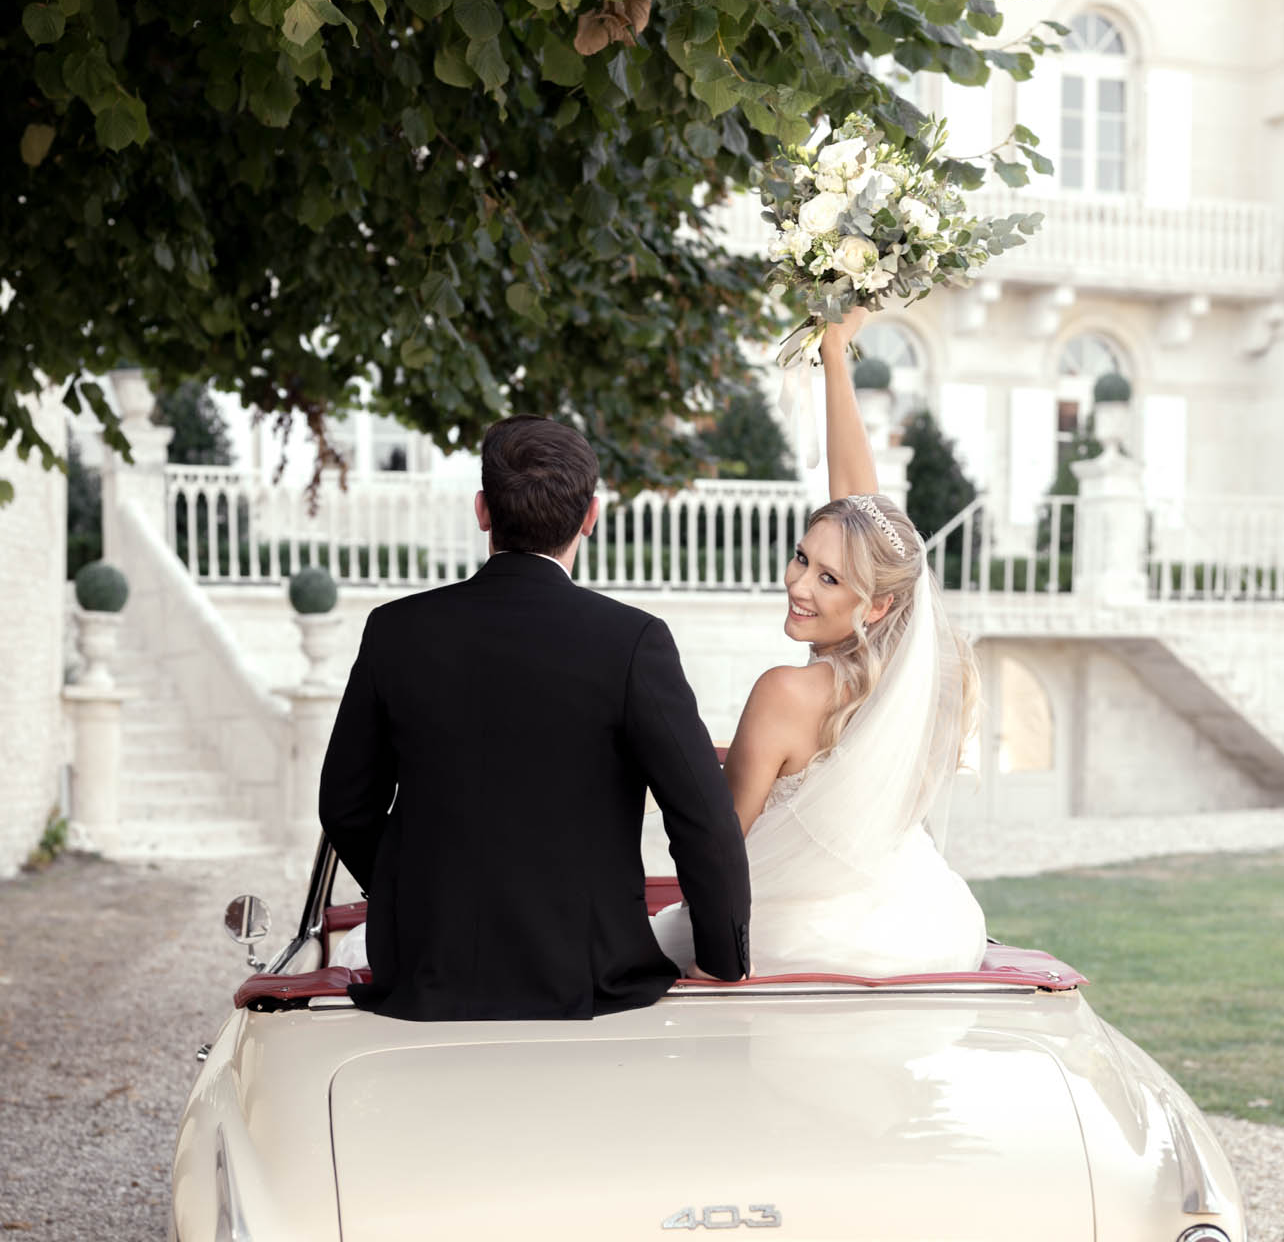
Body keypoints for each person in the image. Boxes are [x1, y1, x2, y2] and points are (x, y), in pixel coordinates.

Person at [320, 415, 750, 1021]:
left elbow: (345, 806)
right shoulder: (632, 641)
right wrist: (723, 961)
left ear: (482, 510)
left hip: (427, 967)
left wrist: (414, 895)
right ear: (591, 517)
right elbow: (702, 818)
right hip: (590, 975)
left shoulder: (395, 630)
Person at [652, 305, 987, 979]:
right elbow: (860, 510)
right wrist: (835, 355)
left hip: (793, 934)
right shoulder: (930, 676)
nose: (798, 584)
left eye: (828, 578)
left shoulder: (786, 692)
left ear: (878, 603)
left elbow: (718, 852)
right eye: (801, 557)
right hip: (924, 925)